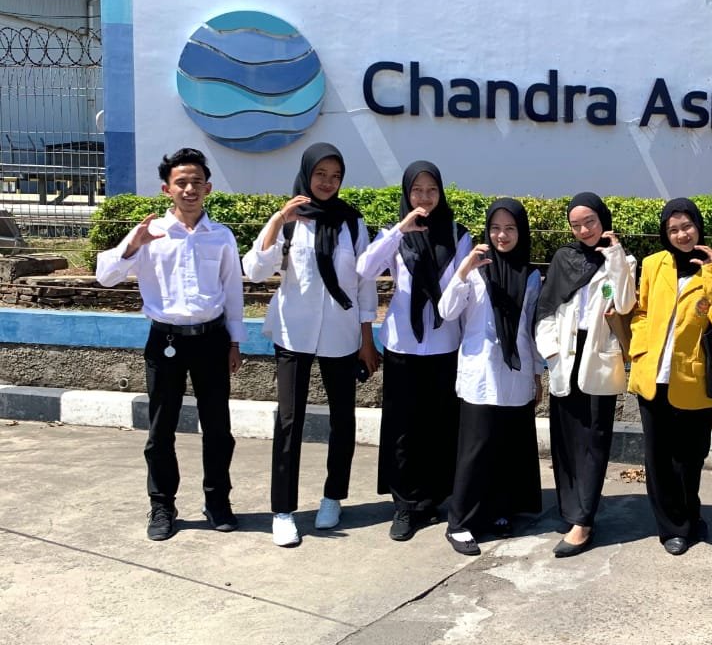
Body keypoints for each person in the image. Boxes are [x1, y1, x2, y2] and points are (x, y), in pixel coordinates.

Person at [96, 147, 246, 541]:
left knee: (218, 429)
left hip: (212, 340)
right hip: (165, 340)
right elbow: (105, 276)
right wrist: (133, 245)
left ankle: (218, 501)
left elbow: (233, 291)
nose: (189, 189)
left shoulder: (221, 236)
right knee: (161, 430)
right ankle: (162, 505)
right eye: (181, 182)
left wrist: (235, 342)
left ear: (208, 187)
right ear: (167, 189)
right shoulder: (150, 234)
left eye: (197, 182)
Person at [242, 143, 379, 547]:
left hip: (341, 333)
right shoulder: (289, 220)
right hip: (293, 332)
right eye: (320, 174)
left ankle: (333, 497)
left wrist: (367, 339)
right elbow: (255, 271)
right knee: (289, 420)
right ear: (306, 173)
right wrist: (277, 221)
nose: (327, 182)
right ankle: (283, 511)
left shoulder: (352, 222)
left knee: (343, 419)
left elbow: (364, 283)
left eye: (335, 176)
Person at [356, 161, 470, 542]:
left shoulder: (458, 235)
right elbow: (365, 269)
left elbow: (465, 291)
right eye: (417, 190)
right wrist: (398, 231)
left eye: (432, 190)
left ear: (441, 193)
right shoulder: (394, 234)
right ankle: (404, 504)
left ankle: (432, 500)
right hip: (403, 346)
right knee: (403, 429)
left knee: (439, 426)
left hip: (444, 345)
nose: (425, 197)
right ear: (407, 193)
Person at [626, 198, 712, 555]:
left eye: (687, 226)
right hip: (653, 375)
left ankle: (690, 513)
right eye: (673, 229)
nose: (681, 234)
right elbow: (641, 311)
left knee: (690, 457)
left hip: (693, 378)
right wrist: (641, 346)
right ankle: (673, 527)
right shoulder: (652, 264)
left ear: (698, 227)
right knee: (658, 458)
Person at [437, 198, 544, 556]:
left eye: (510, 228)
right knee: (476, 449)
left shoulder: (531, 275)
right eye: (495, 228)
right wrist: (463, 270)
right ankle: (459, 523)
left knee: (506, 448)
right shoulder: (474, 270)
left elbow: (531, 328)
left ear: (521, 232)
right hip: (479, 373)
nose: (502, 235)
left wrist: (537, 374)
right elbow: (447, 310)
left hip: (516, 372)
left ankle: (499, 510)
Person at [534, 192, 636, 557]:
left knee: (594, 440)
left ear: (602, 219)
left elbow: (624, 302)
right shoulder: (564, 258)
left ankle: (584, 520)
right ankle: (570, 509)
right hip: (564, 356)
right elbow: (546, 308)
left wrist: (615, 256)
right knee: (565, 439)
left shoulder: (622, 260)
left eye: (590, 221)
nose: (584, 230)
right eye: (576, 225)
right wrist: (550, 350)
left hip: (597, 358)